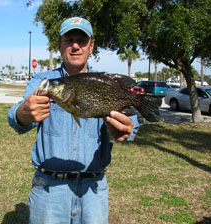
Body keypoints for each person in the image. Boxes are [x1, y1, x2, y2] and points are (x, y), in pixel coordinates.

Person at [8, 17, 139, 224]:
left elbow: (131, 126)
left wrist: (126, 130)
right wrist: (24, 112)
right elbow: (17, 119)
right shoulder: (44, 82)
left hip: (93, 192)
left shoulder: (103, 81)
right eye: (69, 40)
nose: (75, 46)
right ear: (59, 44)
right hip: (49, 190)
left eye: (81, 40)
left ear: (91, 46)